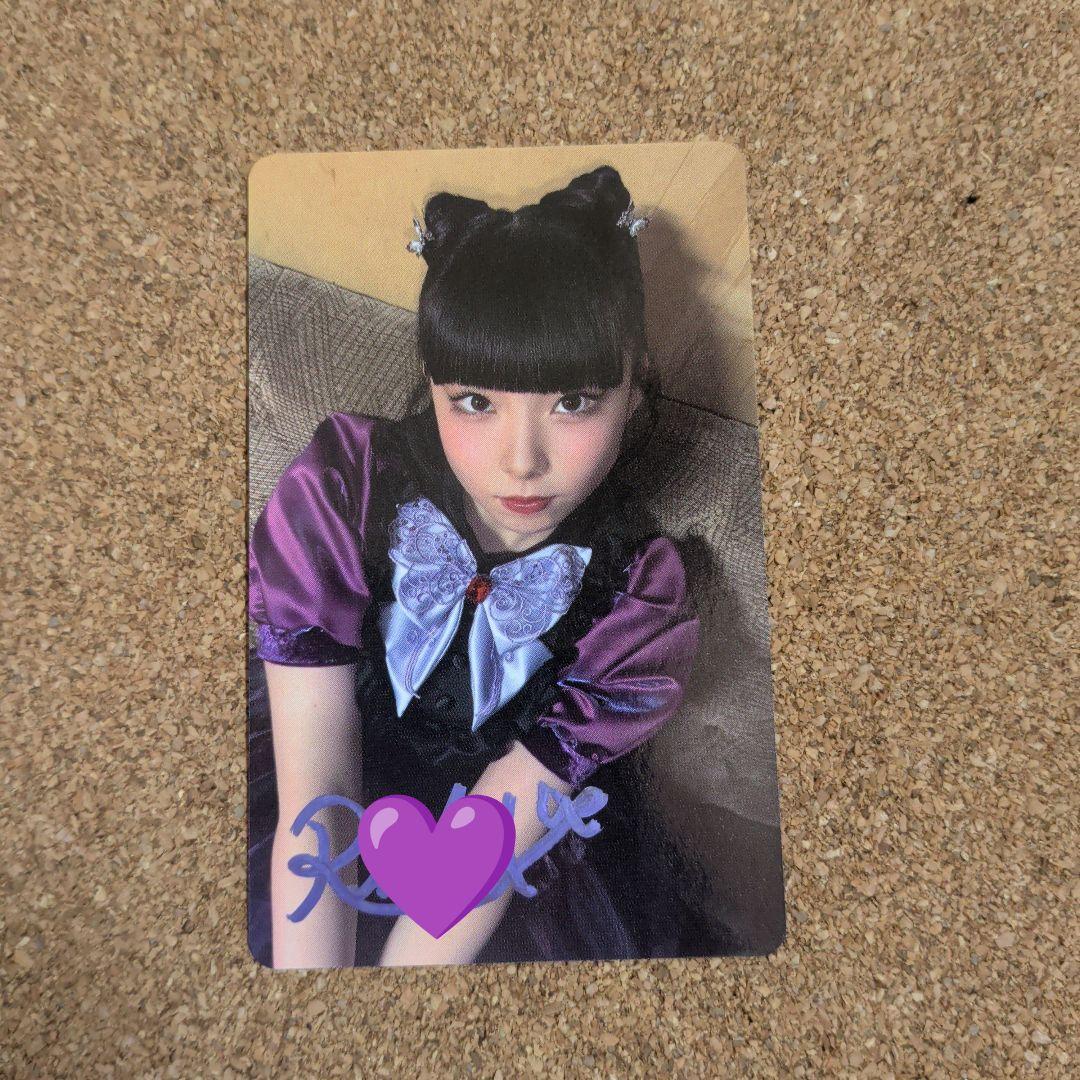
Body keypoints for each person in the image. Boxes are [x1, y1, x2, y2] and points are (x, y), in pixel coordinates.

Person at [247, 165, 731, 968]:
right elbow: (317, 790)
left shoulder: (637, 599)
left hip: (502, 844)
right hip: (322, 771)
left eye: (574, 401)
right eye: (475, 401)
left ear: (635, 390)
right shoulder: (346, 487)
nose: (521, 462)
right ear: (431, 384)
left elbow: (496, 836)